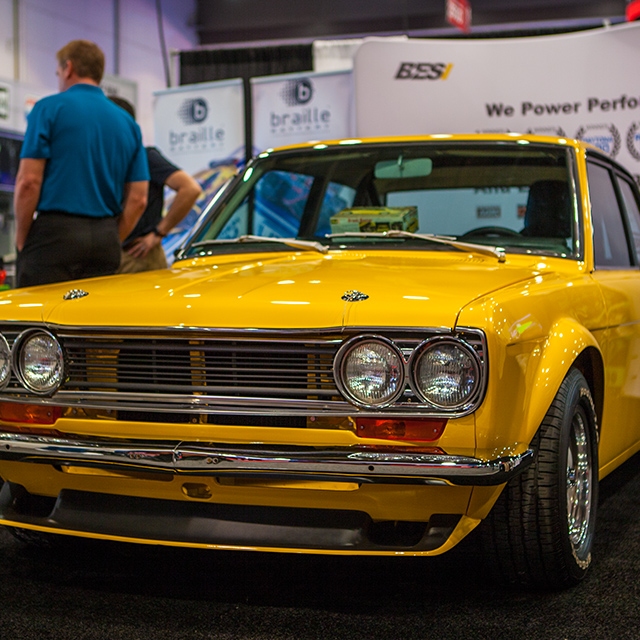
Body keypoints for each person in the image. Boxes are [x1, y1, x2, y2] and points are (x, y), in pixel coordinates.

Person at [14, 39, 149, 288]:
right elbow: (139, 199)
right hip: (105, 239)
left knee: (41, 311)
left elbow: (29, 182)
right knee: (91, 312)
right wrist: (111, 236)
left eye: (57, 73)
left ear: (68, 68)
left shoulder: (48, 109)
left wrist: (22, 238)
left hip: (54, 237)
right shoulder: (128, 123)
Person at [109, 97, 201, 273]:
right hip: (118, 253)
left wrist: (158, 233)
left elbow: (190, 189)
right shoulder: (112, 160)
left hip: (138, 256)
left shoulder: (145, 157)